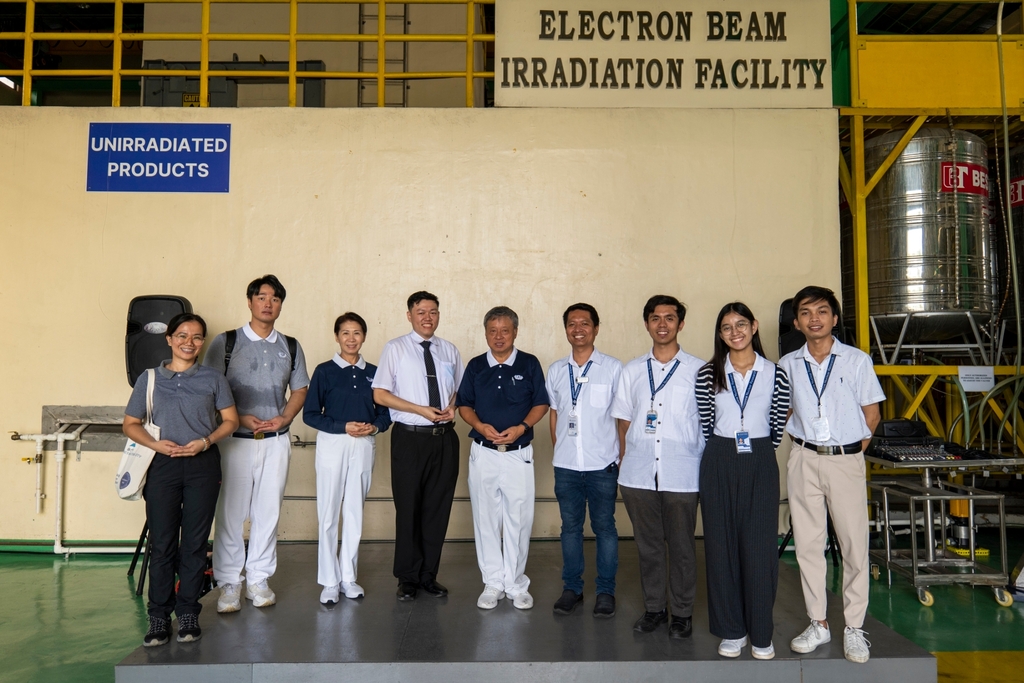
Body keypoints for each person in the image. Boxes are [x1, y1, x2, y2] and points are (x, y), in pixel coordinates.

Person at [779, 286, 884, 664]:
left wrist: (852, 455)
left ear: (835, 319)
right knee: (808, 545)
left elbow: (871, 415)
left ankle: (854, 628)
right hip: (804, 458)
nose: (815, 319)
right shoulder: (788, 364)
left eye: (822, 311)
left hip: (845, 460)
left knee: (855, 545)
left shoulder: (856, 361)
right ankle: (818, 623)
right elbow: (786, 413)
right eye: (806, 313)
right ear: (796, 322)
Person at [123, 313, 239, 647]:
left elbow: (230, 420)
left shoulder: (213, 379)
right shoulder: (149, 379)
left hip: (203, 466)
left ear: (203, 342)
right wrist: (155, 444)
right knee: (161, 542)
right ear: (169, 339)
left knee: (194, 542)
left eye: (198, 337)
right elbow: (130, 423)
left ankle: (188, 611)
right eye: (183, 336)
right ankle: (158, 616)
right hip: (162, 467)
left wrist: (205, 441)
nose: (190, 343)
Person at [204, 274, 310, 612]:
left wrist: (285, 418)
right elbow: (209, 388)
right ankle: (229, 583)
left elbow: (301, 389)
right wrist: (236, 417)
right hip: (234, 440)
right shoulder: (227, 342)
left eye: (275, 298)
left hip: (276, 440)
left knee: (268, 512)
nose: (268, 303)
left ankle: (259, 578)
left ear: (281, 304)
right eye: (262, 297)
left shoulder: (290, 345)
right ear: (250, 301)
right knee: (231, 512)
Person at [695, 302, 791, 660]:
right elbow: (706, 422)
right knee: (720, 546)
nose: (734, 332)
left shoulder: (774, 373)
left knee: (759, 547)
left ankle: (761, 633)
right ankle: (732, 630)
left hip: (761, 459)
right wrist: (726, 450)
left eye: (740, 324)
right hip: (718, 457)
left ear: (753, 326)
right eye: (725, 327)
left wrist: (757, 450)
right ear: (719, 335)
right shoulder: (708, 373)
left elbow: (778, 422)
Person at [611, 295, 704, 639]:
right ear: (647, 323)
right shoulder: (632, 370)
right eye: (655, 318)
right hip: (638, 473)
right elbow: (623, 422)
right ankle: (654, 609)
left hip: (683, 473)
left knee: (682, 546)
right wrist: (626, 462)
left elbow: (707, 423)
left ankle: (681, 613)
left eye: (669, 318)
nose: (662, 324)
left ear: (681, 324)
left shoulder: (700, 369)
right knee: (648, 546)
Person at [372, 291, 463, 601]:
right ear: (409, 315)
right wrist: (420, 409)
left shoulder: (449, 350)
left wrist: (453, 408)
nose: (428, 317)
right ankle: (407, 578)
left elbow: (457, 392)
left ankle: (428, 575)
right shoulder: (395, 349)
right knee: (409, 507)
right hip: (410, 438)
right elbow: (380, 394)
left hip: (444, 439)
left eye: (433, 311)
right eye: (421, 311)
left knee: (437, 509)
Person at [457, 306, 549, 610]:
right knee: (485, 519)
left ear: (515, 332)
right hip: (483, 452)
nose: (499, 336)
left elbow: (541, 404)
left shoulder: (529, 363)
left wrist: (522, 427)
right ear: (485, 332)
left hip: (518, 455)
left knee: (519, 519)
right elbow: (465, 405)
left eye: (505, 330)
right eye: (492, 330)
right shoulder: (475, 366)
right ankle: (493, 582)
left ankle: (515, 583)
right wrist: (479, 425)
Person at [304, 312, 392, 604]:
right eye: (345, 333)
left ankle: (348, 577)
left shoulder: (376, 372)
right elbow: (311, 414)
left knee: (354, 510)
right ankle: (329, 580)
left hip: (364, 444)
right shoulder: (325, 371)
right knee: (329, 512)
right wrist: (343, 426)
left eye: (356, 333)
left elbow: (385, 413)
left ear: (364, 336)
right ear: (337, 336)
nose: (351, 338)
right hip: (333, 443)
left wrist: (375, 426)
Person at [545, 303, 623, 618]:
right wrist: (560, 449)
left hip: (602, 465)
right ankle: (572, 589)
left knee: (605, 528)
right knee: (570, 528)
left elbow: (622, 419)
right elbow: (555, 416)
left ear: (596, 328)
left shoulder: (613, 368)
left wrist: (621, 457)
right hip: (566, 466)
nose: (579, 328)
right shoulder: (555, 370)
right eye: (572, 323)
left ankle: (605, 591)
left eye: (585, 323)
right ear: (566, 329)